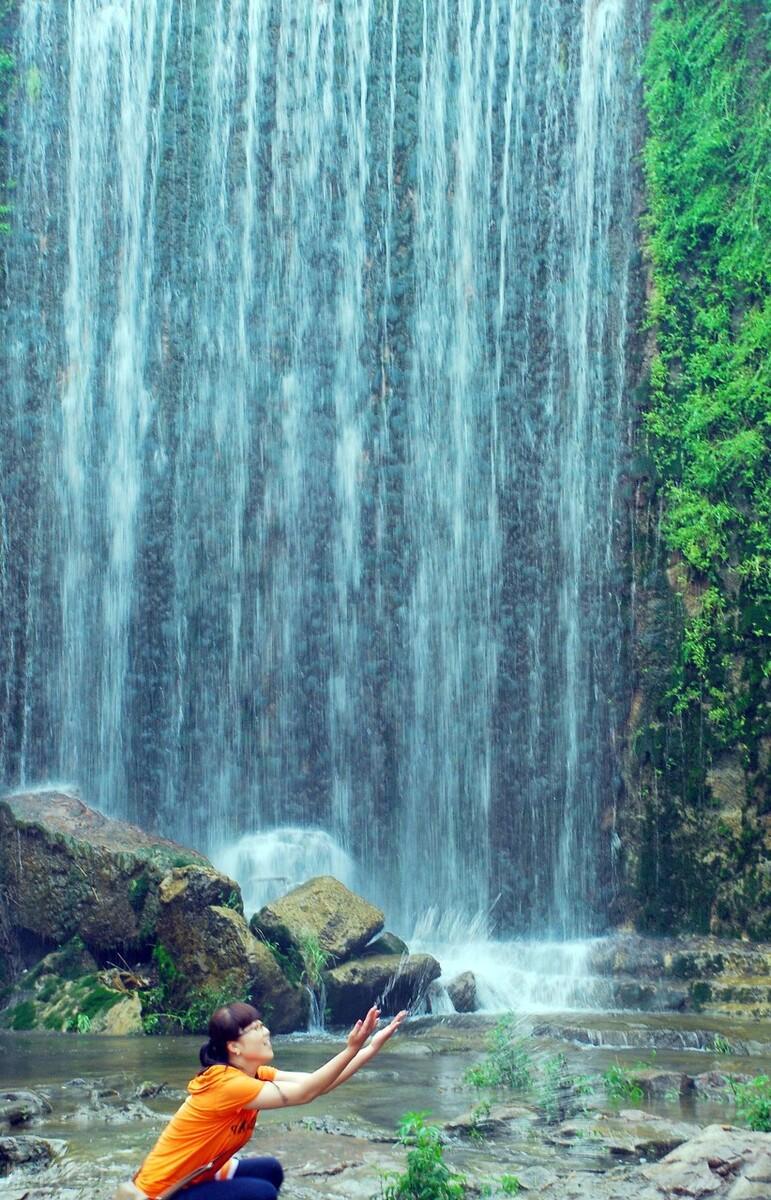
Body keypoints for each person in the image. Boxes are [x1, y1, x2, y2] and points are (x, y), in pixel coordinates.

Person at [124, 1001, 406, 1200]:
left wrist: (370, 1048)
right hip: (158, 1194)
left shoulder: (255, 1074)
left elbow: (318, 1085)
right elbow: (307, 1092)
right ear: (233, 1046)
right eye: (256, 1028)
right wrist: (352, 1048)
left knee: (269, 1170)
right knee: (261, 1194)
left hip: (196, 1178)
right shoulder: (226, 1083)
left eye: (262, 1025)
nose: (266, 1032)